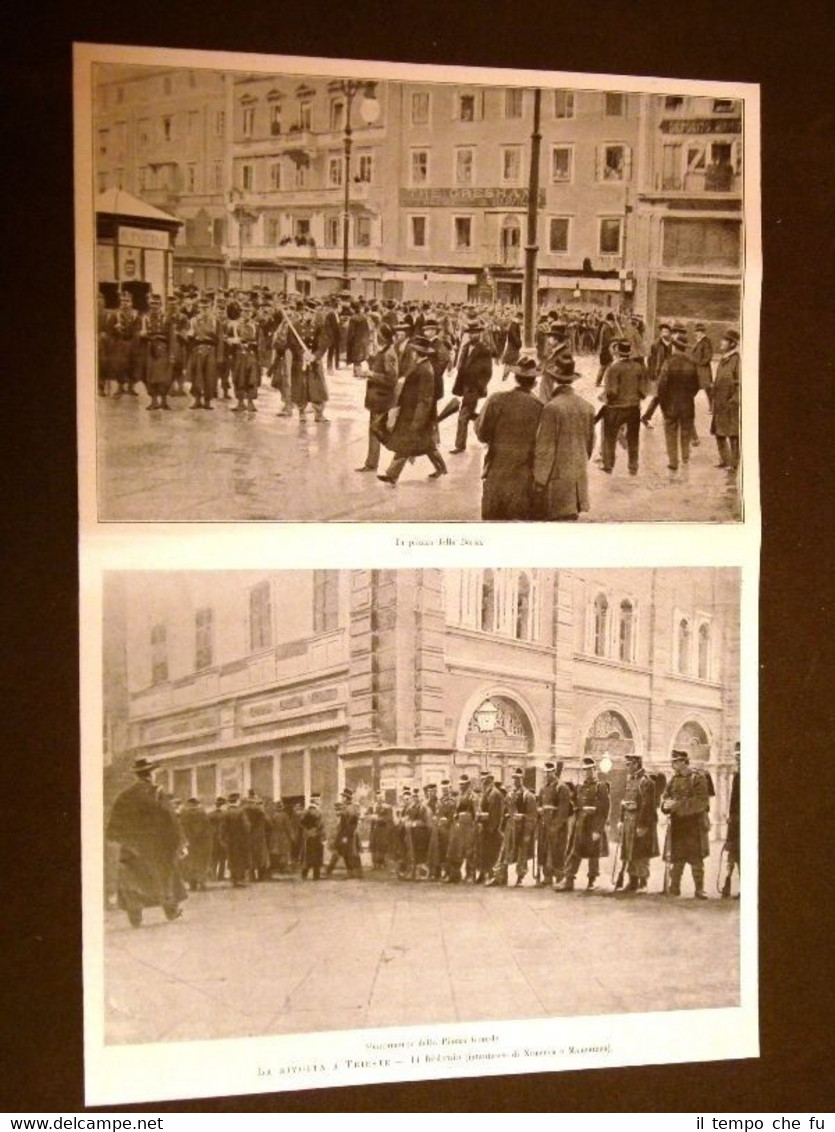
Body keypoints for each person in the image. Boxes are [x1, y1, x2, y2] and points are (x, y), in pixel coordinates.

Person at [105, 756, 187, 927]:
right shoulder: (156, 792)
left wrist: (124, 840)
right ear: (151, 774)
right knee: (165, 876)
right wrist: (181, 843)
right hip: (156, 846)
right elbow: (171, 819)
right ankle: (170, 911)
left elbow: (113, 826)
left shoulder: (124, 795)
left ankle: (135, 915)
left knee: (133, 880)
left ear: (137, 775)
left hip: (131, 847)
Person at [474, 356, 543, 520]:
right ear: (534, 383)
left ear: (515, 378)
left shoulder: (496, 400)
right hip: (524, 476)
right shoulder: (540, 407)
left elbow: (482, 434)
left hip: (496, 472)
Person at [377, 335, 447, 484]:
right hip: (411, 413)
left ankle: (392, 475)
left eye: (414, 351)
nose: (412, 353)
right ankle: (441, 468)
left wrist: (417, 421)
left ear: (418, 353)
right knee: (425, 445)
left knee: (409, 444)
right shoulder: (421, 365)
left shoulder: (425, 370)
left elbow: (425, 399)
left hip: (417, 415)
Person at [532, 359, 596, 520]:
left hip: (557, 483)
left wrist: (539, 481)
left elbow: (544, 449)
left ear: (554, 380)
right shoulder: (587, 407)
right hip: (578, 479)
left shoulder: (552, 408)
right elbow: (590, 444)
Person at [648, 329, 700, 472]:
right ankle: (685, 458)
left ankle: (673, 462)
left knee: (671, 433)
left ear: (674, 347)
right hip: (687, 404)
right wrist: (688, 397)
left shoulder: (668, 363)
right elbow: (696, 386)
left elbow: (662, 387)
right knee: (685, 431)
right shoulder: (692, 363)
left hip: (671, 404)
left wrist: (664, 405)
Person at [661, 749, 711, 899]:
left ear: (684, 761)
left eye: (675, 761)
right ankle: (674, 887)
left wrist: (677, 806)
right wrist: (665, 806)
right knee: (676, 857)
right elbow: (665, 798)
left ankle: (699, 889)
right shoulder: (673, 780)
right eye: (672, 761)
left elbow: (702, 802)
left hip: (694, 825)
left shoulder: (698, 778)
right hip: (677, 824)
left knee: (696, 858)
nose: (673, 764)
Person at [556, 757, 610, 891]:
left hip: (593, 825)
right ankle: (569, 880)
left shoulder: (600, 786)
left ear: (595, 770)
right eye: (585, 770)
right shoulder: (581, 787)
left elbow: (604, 809)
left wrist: (598, 829)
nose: (587, 773)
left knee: (593, 855)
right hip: (581, 825)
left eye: (590, 770)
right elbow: (575, 803)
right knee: (575, 851)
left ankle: (592, 881)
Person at [601, 338, 650, 476]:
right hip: (634, 408)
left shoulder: (614, 368)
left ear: (618, 352)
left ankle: (609, 465)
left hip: (616, 408)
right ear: (629, 352)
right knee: (633, 438)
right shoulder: (638, 367)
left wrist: (609, 401)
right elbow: (643, 391)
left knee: (609, 436)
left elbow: (612, 392)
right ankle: (633, 467)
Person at [355, 322, 397, 473]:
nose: (375, 337)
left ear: (383, 337)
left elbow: (391, 379)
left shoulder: (389, 354)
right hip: (376, 399)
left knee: (376, 430)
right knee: (374, 430)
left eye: (377, 335)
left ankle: (374, 463)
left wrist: (371, 374)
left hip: (382, 399)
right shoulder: (383, 352)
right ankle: (371, 463)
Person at [450, 319, 494, 453]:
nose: (473, 335)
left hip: (473, 388)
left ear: (480, 334)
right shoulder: (466, 346)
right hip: (464, 386)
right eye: (471, 333)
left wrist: (478, 386)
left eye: (476, 333)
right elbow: (461, 366)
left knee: (463, 416)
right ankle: (489, 432)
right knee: (470, 415)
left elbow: (488, 372)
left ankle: (459, 445)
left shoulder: (484, 350)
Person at [617, 754, 659, 892]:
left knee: (641, 853)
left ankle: (643, 883)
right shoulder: (630, 780)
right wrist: (621, 820)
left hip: (640, 822)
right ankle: (632, 882)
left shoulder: (646, 782)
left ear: (636, 764)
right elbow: (626, 800)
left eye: (629, 764)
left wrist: (642, 825)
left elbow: (648, 806)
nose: (627, 767)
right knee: (630, 852)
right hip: (629, 822)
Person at [536, 760, 574, 888]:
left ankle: (559, 876)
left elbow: (563, 810)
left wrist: (556, 826)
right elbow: (539, 804)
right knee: (545, 850)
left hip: (558, 826)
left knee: (558, 850)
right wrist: (540, 810)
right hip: (545, 824)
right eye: (545, 772)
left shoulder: (562, 788)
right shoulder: (543, 788)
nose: (547, 775)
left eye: (549, 772)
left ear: (554, 772)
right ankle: (547, 876)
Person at [711, 328, 741, 470]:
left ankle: (734, 464)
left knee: (733, 434)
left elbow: (740, 383)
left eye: (725, 340)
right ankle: (725, 460)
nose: (721, 342)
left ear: (732, 344)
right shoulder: (724, 359)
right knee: (719, 433)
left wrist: (734, 400)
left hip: (730, 403)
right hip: (719, 402)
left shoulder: (736, 360)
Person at [106, 290, 142, 398]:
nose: (125, 303)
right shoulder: (114, 314)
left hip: (132, 343)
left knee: (133, 364)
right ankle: (120, 388)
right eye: (123, 301)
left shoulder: (136, 314)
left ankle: (131, 387)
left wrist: (135, 340)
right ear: (120, 302)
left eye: (127, 301)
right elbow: (108, 329)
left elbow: (138, 329)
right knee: (119, 366)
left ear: (131, 302)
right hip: (119, 343)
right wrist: (115, 329)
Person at [187, 296, 219, 410]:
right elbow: (190, 337)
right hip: (197, 350)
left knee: (210, 376)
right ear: (199, 308)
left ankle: (207, 401)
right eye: (202, 308)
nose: (205, 310)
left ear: (211, 308)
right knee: (197, 376)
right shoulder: (193, 320)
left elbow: (219, 339)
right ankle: (197, 400)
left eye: (207, 308)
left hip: (211, 351)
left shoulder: (215, 321)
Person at [445, 774, 477, 883]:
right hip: (458, 826)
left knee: (469, 851)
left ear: (468, 784)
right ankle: (455, 874)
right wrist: (456, 815)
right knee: (455, 850)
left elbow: (476, 813)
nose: (461, 786)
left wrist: (470, 819)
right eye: (460, 784)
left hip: (469, 826)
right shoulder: (459, 796)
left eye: (463, 784)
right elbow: (456, 810)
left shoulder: (472, 796)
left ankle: (470, 875)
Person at [327, 788, 363, 878]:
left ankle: (353, 873)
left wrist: (345, 836)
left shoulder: (348, 809)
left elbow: (348, 824)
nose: (342, 798)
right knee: (347, 853)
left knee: (345, 852)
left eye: (343, 797)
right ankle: (354, 873)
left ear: (346, 798)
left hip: (346, 835)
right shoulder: (352, 808)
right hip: (349, 834)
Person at [476, 771, 505, 883]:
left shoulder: (495, 794)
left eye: (486, 780)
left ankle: (493, 876)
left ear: (491, 780)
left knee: (493, 853)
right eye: (483, 780)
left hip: (492, 829)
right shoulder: (486, 793)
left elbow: (494, 814)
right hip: (486, 827)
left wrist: (491, 827)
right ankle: (484, 874)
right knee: (484, 852)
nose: (484, 782)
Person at [178, 797, 212, 892]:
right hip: (201, 843)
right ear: (197, 804)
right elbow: (208, 828)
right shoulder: (202, 813)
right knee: (201, 862)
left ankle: (192, 884)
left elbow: (181, 828)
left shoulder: (184, 814)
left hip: (190, 843)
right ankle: (202, 882)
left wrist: (184, 841)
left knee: (190, 863)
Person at [722, 742, 740, 898]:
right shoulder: (737, 776)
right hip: (734, 823)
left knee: (741, 854)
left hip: (743, 823)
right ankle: (727, 883)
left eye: (741, 757)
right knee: (732, 853)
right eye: (737, 758)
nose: (738, 761)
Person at [691, 322, 715, 441]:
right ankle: (711, 405)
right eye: (696, 331)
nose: (697, 333)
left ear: (702, 332)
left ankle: (713, 406)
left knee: (707, 388)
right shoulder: (699, 341)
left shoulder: (706, 341)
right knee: (698, 387)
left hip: (703, 370)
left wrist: (701, 363)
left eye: (699, 331)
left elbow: (708, 356)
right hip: (698, 369)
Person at [221, 792, 251, 887]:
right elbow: (247, 826)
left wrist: (224, 840)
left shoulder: (225, 813)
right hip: (240, 840)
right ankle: (240, 879)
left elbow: (222, 828)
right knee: (241, 859)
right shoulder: (241, 812)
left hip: (230, 840)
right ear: (237, 801)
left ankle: (233, 879)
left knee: (232, 859)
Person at [299, 795, 325, 880]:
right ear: (315, 801)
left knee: (308, 855)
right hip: (316, 836)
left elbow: (301, 823)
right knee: (317, 856)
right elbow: (321, 826)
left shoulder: (306, 811)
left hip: (308, 836)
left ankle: (304, 874)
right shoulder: (319, 812)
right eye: (318, 800)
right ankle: (316, 875)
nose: (319, 801)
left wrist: (307, 830)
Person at [368, 791, 394, 869]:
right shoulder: (372, 806)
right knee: (373, 845)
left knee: (381, 845)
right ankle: (374, 863)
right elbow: (367, 814)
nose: (379, 799)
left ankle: (382, 863)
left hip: (383, 828)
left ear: (383, 798)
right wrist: (370, 816)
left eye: (381, 797)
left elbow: (389, 818)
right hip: (374, 828)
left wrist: (379, 818)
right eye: (377, 797)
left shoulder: (387, 807)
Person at [209, 796, 227, 881]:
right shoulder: (225, 814)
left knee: (213, 858)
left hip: (213, 839)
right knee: (222, 859)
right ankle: (221, 876)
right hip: (223, 839)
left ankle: (213, 875)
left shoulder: (210, 814)